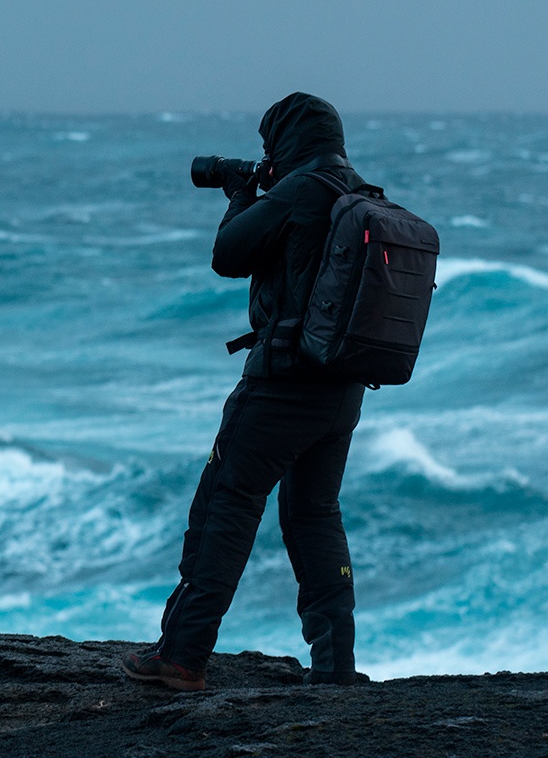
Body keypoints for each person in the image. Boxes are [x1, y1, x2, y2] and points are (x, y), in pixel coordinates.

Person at [122, 92, 372, 691]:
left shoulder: (303, 189)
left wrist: (240, 194)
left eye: (269, 146)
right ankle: (335, 669)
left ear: (285, 141)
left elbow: (227, 255)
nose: (265, 157)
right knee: (314, 516)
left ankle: (182, 656)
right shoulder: (358, 191)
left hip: (282, 384)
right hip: (341, 390)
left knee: (224, 506)